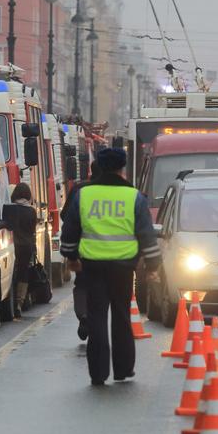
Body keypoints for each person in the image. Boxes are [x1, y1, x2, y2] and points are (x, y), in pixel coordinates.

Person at [61, 148, 161, 385]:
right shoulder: (134, 197)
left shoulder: (84, 195)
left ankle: (98, 372)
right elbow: (147, 235)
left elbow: (70, 229)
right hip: (124, 268)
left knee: (96, 317)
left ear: (100, 166)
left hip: (92, 266)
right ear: (121, 168)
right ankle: (123, 369)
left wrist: (71, 256)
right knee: (121, 316)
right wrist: (154, 265)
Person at [60, 160, 102, 341]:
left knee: (82, 286)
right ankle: (98, 321)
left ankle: (84, 316)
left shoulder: (79, 189)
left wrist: (69, 252)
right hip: (115, 253)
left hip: (84, 249)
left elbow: (65, 215)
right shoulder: (119, 191)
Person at [7, 183, 38, 319]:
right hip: (26, 246)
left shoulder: (11, 210)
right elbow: (32, 231)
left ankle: (10, 299)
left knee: (12, 272)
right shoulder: (31, 211)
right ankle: (20, 302)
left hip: (13, 245)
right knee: (23, 271)